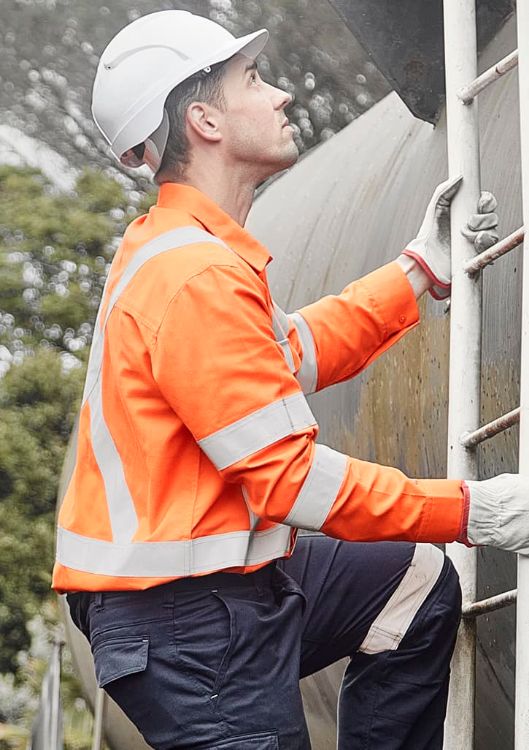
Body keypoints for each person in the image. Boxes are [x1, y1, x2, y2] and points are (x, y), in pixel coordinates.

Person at [53, 10, 529, 750]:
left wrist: (417, 274)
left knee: (412, 583)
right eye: (253, 80)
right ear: (205, 120)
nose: (278, 96)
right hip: (184, 627)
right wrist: (474, 510)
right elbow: (293, 485)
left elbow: (290, 352)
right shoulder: (193, 276)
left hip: (214, 589)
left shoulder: (190, 251)